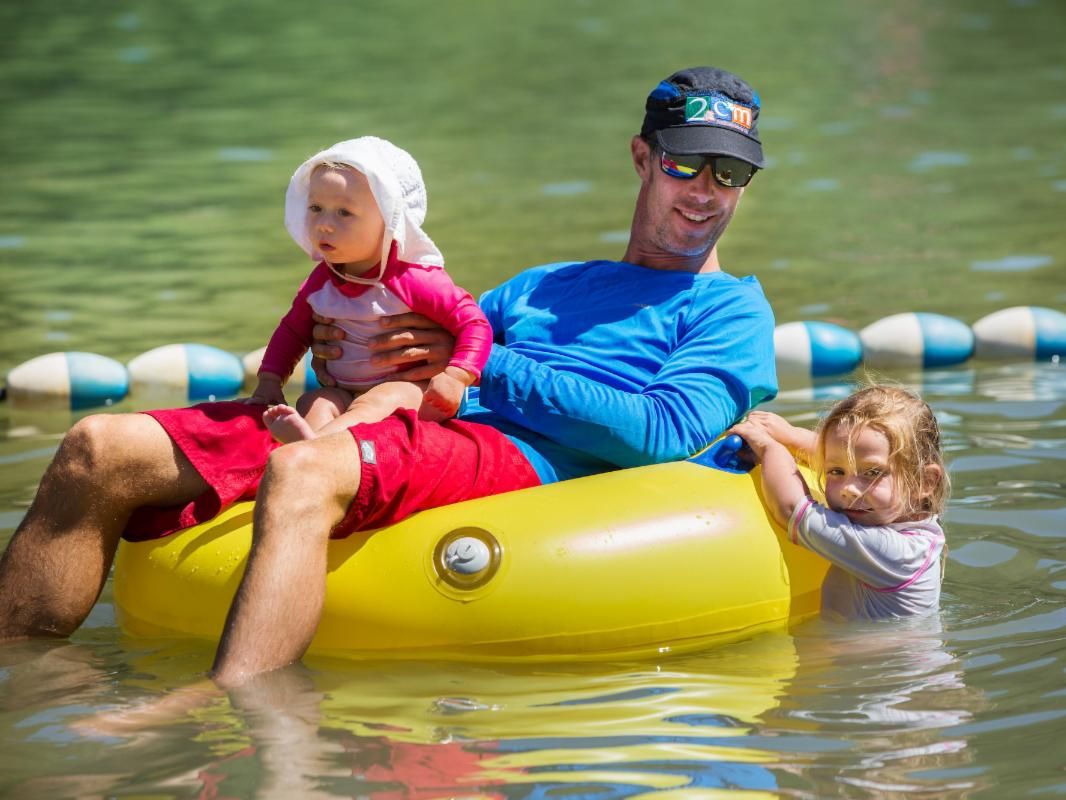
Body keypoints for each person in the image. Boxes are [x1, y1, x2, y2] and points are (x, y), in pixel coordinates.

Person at [0, 66, 777, 686]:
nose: (704, 192)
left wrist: (477, 365)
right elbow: (417, 353)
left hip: (514, 457)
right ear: (643, 157)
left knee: (305, 471)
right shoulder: (544, 284)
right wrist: (339, 368)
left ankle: (226, 706)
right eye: (685, 163)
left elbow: (663, 434)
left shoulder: (731, 313)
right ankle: (15, 679)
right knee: (97, 447)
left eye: (729, 174)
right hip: (407, 418)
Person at [253, 137, 492, 444]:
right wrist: (270, 381)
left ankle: (312, 447)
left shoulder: (415, 279)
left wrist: (456, 376)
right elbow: (291, 332)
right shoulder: (321, 282)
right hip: (345, 390)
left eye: (344, 213)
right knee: (316, 401)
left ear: (391, 221)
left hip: (414, 392)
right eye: (316, 208)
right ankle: (311, 442)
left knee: (381, 398)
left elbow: (473, 324)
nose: (324, 224)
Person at [730, 385, 949, 620]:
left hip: (880, 657)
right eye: (836, 471)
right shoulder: (915, 529)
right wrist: (791, 435)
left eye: (872, 473)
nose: (848, 489)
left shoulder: (897, 554)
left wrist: (769, 448)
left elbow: (792, 509)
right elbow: (850, 454)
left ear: (924, 482)